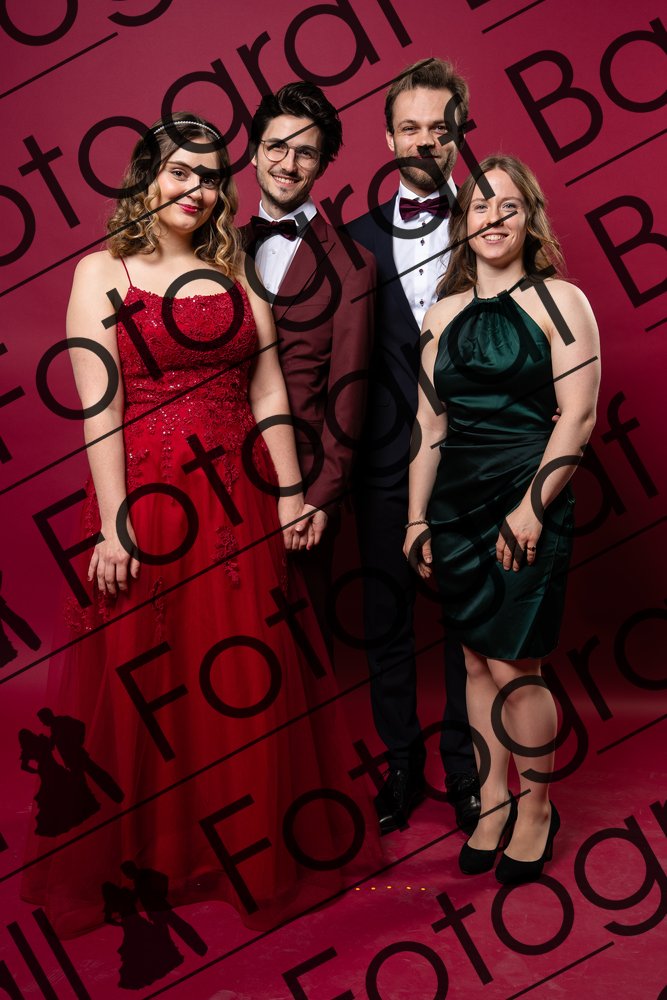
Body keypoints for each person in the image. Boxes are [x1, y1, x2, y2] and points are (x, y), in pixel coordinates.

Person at [21, 112, 378, 936]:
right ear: (147, 177)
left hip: (239, 504)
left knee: (244, 673)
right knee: (148, 679)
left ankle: (241, 848)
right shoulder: (101, 270)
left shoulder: (232, 270)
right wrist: (113, 524)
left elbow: (267, 389)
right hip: (149, 499)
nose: (196, 189)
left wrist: (290, 495)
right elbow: (101, 407)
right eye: (181, 171)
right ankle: (153, 852)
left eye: (211, 176)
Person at [404, 154, 600, 883]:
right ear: (462, 224)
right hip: (455, 503)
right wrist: (415, 520)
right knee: (472, 660)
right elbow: (428, 425)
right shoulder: (441, 314)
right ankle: (491, 803)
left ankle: (537, 807)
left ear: (529, 218)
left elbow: (577, 418)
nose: (491, 218)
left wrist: (530, 509)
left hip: (528, 494)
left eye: (507, 206)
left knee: (516, 663)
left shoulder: (563, 300)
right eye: (478, 207)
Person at [346, 59, 480, 834]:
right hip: (382, 463)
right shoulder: (354, 240)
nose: (424, 141)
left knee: (468, 623)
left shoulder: (495, 219)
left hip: (475, 460)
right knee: (385, 616)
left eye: (439, 127)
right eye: (409, 127)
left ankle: (464, 768)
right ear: (387, 137)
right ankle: (401, 763)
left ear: (459, 133)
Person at [241, 82, 375, 649]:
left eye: (305, 153)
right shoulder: (216, 249)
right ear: (254, 152)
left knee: (298, 643)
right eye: (276, 146)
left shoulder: (353, 263)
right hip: (215, 469)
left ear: (321, 165)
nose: (288, 164)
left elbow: (350, 390)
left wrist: (321, 496)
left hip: (302, 474)